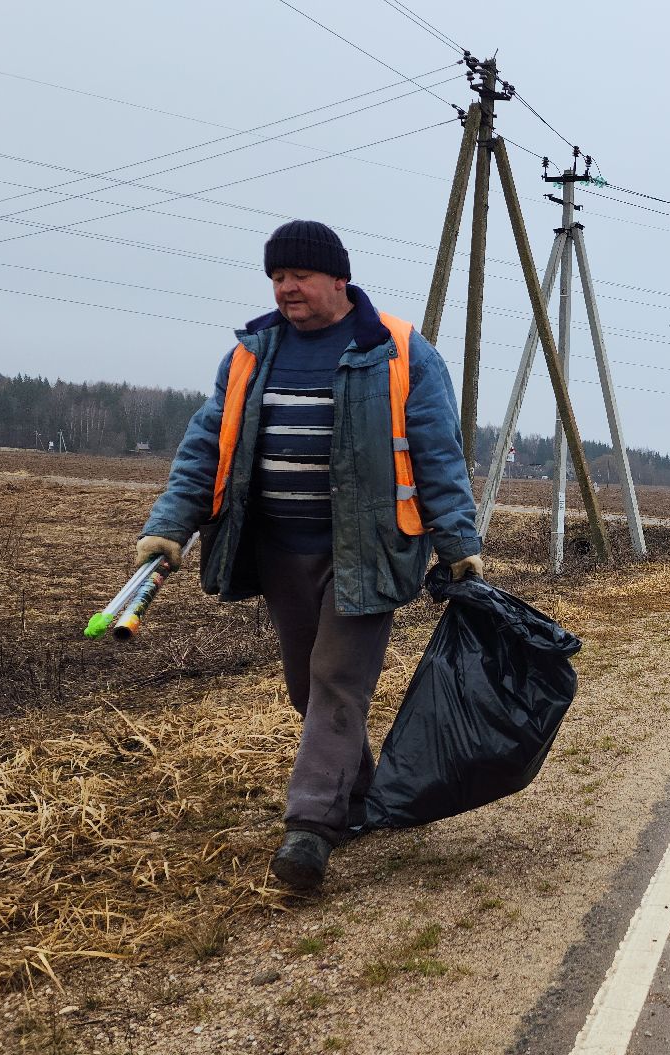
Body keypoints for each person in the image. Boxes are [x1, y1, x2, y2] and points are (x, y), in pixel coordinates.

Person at [135, 220, 485, 891]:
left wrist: (459, 546)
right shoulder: (251, 352)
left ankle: (309, 830)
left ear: (337, 279)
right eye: (275, 277)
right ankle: (358, 799)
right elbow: (205, 447)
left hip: (369, 549)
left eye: (296, 275)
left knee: (334, 679)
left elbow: (438, 454)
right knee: (307, 685)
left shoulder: (396, 349)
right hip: (277, 550)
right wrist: (169, 529)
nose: (285, 287)